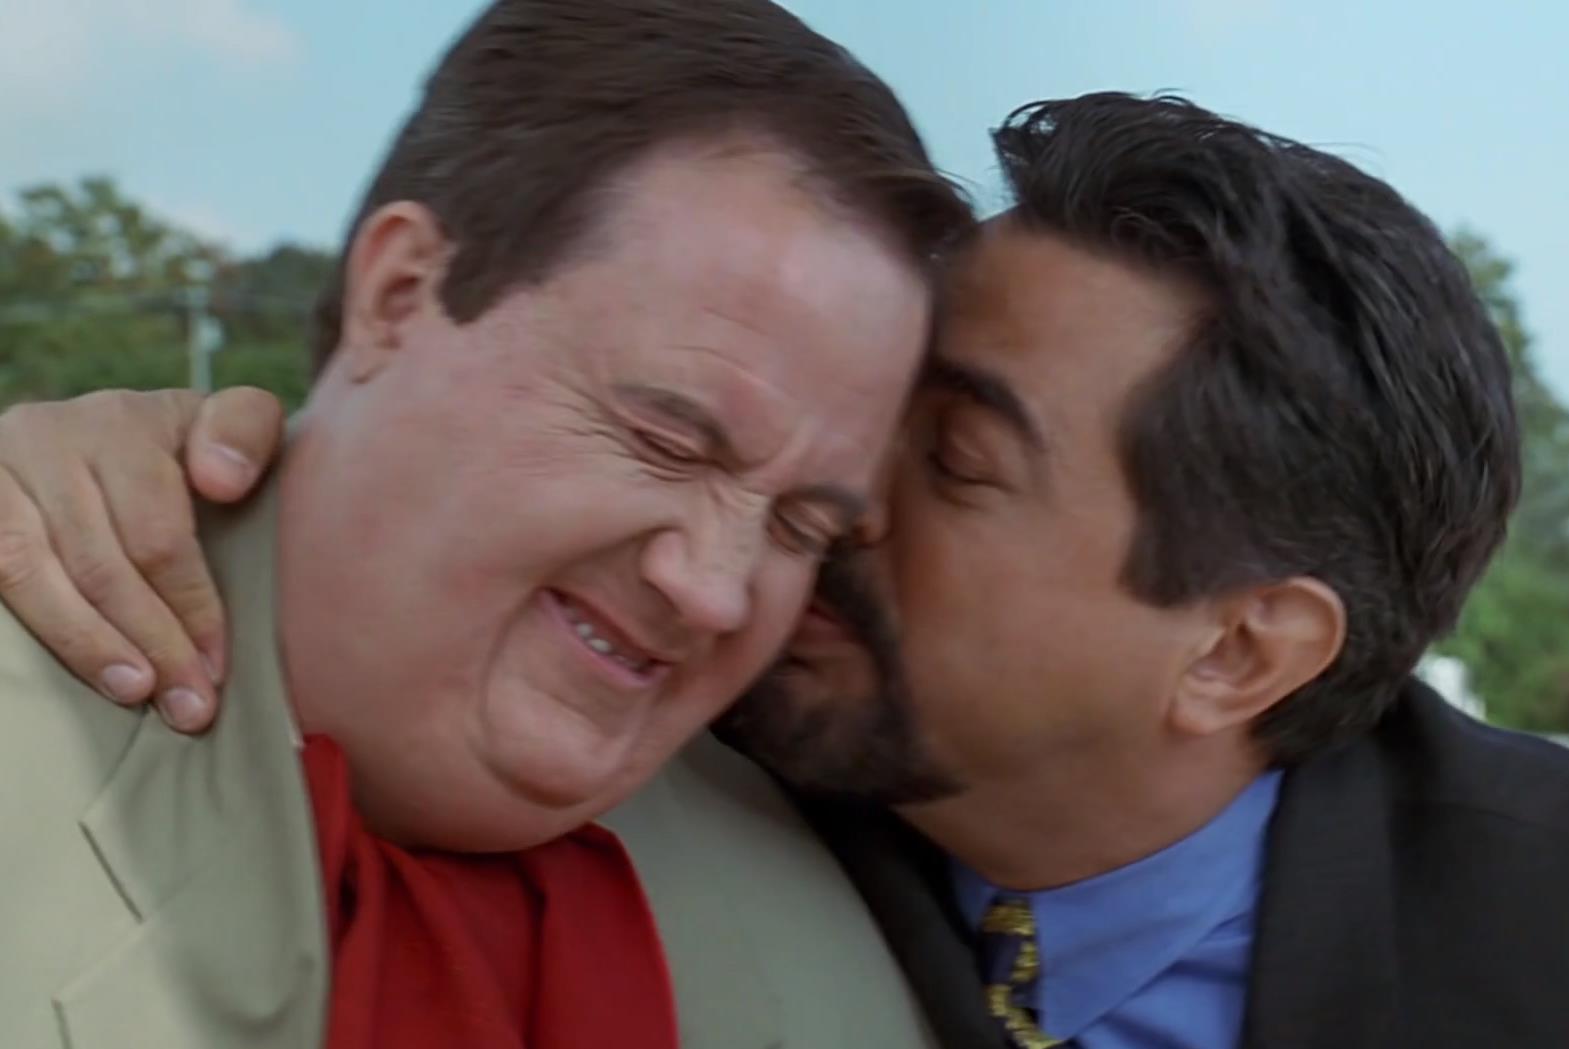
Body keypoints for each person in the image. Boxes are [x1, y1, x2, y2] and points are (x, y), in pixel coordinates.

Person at [12, 93, 1569, 1049]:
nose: (828, 500)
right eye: (869, 409)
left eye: (954, 462)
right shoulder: (658, 711)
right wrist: (130, 471)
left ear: (1237, 652)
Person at [0, 1, 970, 1047]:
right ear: (401, 292)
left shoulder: (848, 951)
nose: (713, 588)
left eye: (799, 528)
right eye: (667, 440)